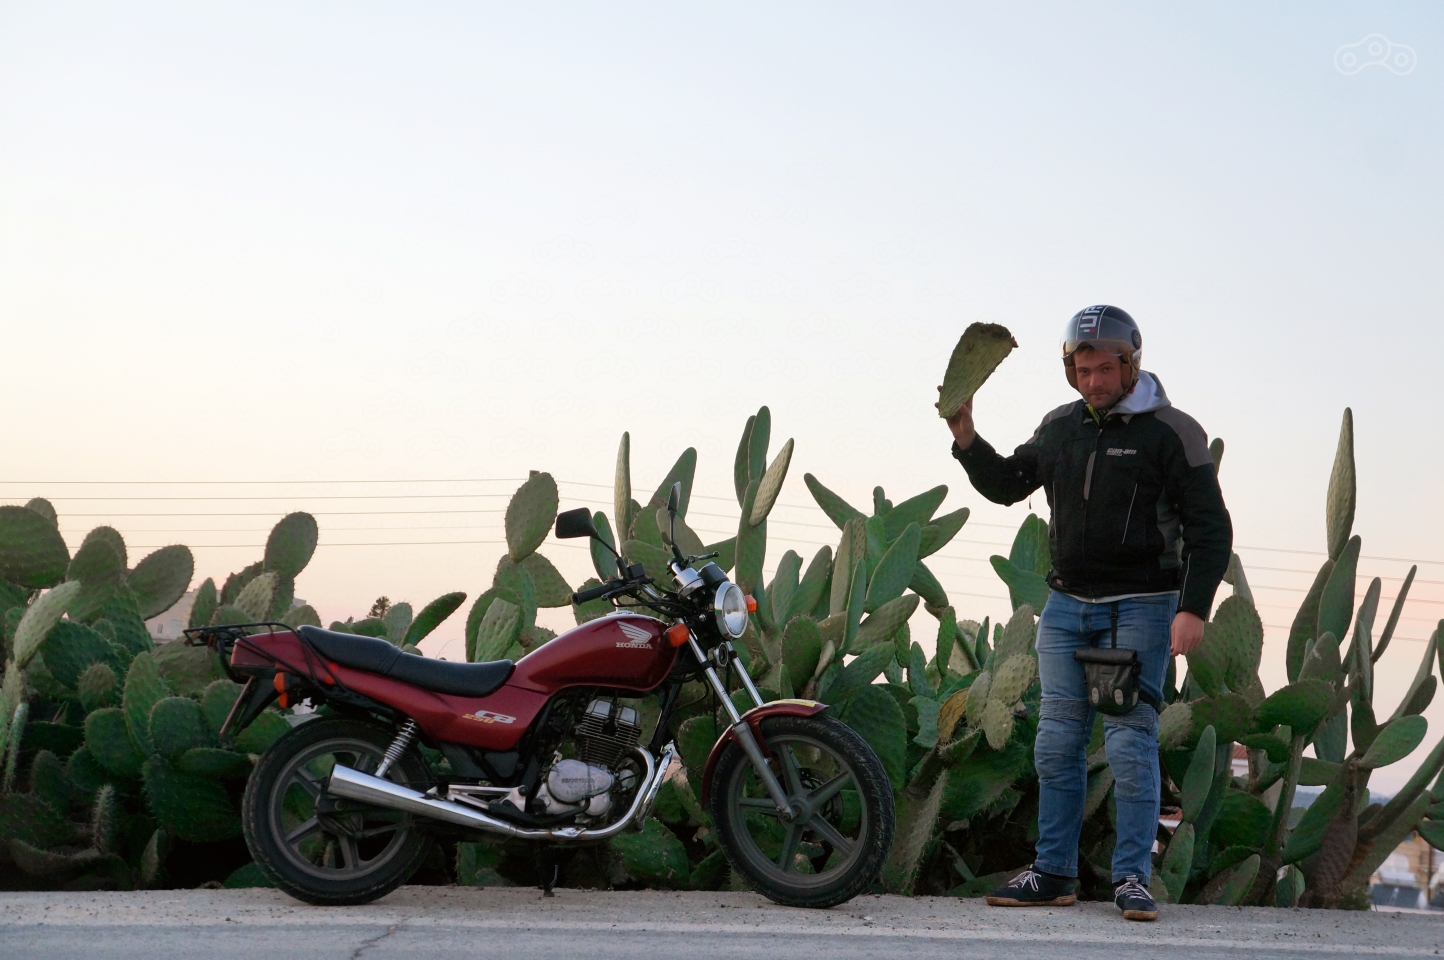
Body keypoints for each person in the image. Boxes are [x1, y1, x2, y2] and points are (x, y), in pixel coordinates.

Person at [940, 305, 1232, 922]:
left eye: (1105, 368)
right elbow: (1008, 481)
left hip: (1138, 609)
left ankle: (1131, 877)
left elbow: (1211, 528)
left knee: (1128, 743)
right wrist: (967, 439)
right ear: (1070, 369)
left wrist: (1194, 609)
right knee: (1056, 743)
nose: (1094, 381)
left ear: (1131, 364)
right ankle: (1053, 873)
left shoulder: (1170, 432)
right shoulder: (1060, 426)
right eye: (1083, 369)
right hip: (1068, 606)